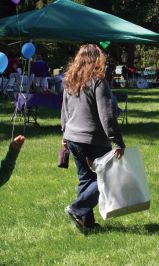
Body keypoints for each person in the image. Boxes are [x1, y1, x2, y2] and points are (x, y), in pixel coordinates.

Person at [61, 44, 125, 233]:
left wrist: (64, 133)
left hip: (73, 137)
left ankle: (86, 222)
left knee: (86, 179)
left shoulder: (70, 79)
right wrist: (117, 141)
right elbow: (106, 114)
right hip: (93, 138)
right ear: (97, 58)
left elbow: (64, 109)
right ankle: (77, 209)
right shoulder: (98, 80)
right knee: (108, 178)